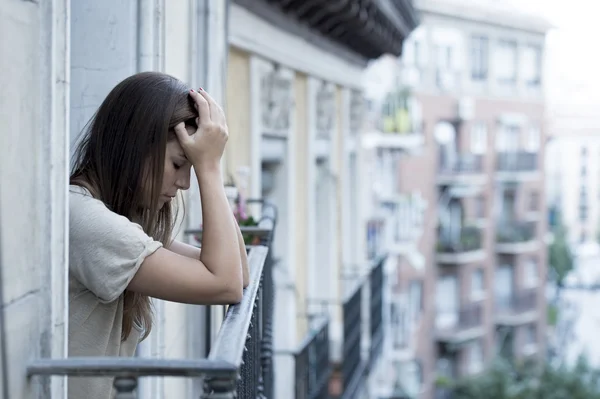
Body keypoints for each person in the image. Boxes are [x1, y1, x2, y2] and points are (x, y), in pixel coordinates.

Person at [68, 72, 249, 399]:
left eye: (191, 169)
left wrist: (211, 164)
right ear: (136, 147)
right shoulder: (88, 221)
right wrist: (208, 168)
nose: (184, 184)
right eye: (179, 164)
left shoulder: (114, 219)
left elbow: (239, 272)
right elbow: (226, 283)